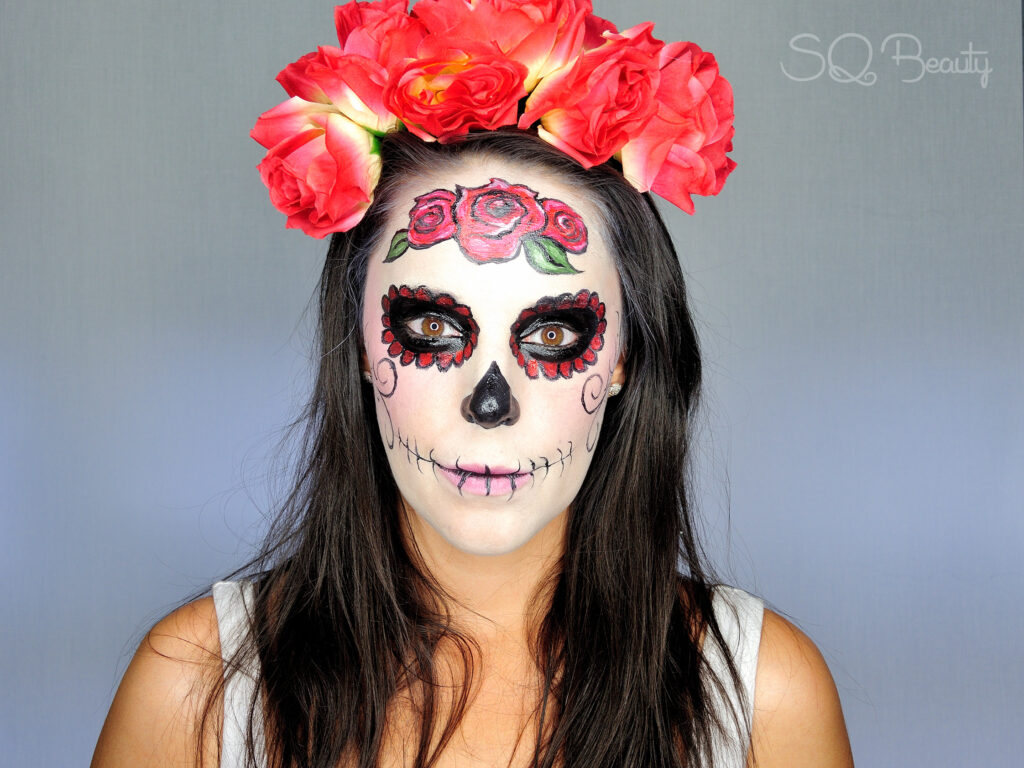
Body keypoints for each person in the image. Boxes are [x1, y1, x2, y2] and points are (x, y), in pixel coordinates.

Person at [91, 2, 854, 767]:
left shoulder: (761, 699)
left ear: (624, 356)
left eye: (551, 335)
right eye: (432, 328)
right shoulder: (197, 689)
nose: (490, 404)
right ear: (358, 345)